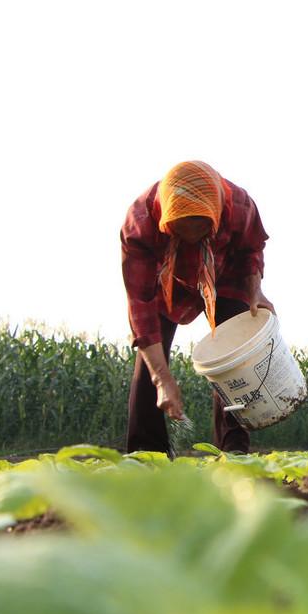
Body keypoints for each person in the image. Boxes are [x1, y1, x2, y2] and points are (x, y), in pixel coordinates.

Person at [121, 160, 274, 454]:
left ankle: (234, 450)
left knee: (234, 357)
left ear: (216, 218)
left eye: (201, 230)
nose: (191, 239)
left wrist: (256, 290)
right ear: (167, 223)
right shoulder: (140, 223)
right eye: (181, 232)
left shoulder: (239, 207)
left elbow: (251, 247)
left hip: (224, 274)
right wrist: (163, 378)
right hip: (165, 280)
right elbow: (140, 304)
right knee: (149, 363)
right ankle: (146, 454)